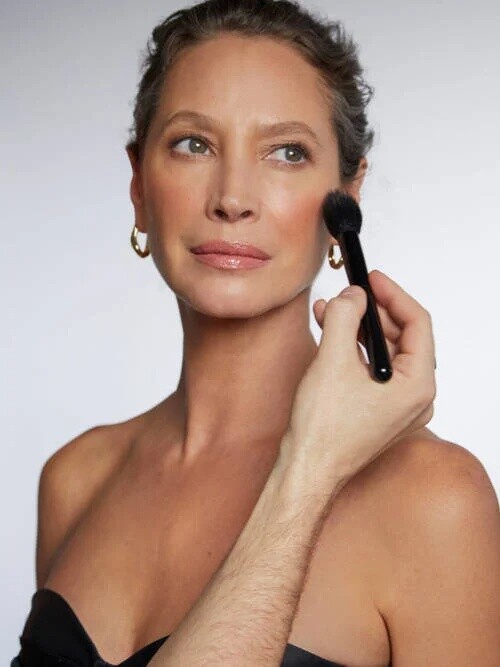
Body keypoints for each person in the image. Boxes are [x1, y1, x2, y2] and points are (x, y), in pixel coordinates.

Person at [12, 0, 500, 665]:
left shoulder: (433, 500)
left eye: (287, 153)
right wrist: (310, 470)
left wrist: (314, 463)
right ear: (139, 186)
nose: (233, 198)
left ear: (347, 200)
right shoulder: (76, 481)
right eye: (193, 144)